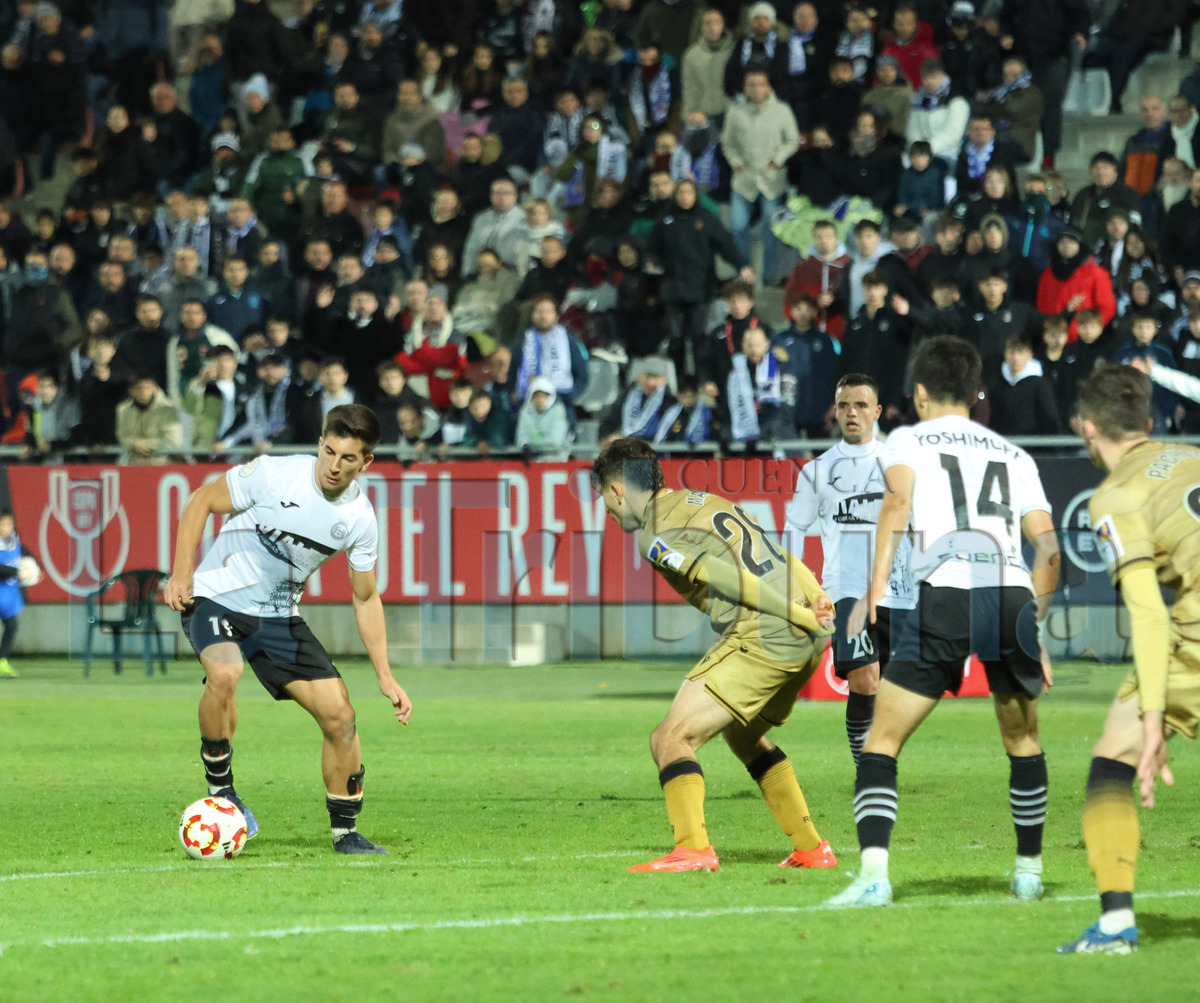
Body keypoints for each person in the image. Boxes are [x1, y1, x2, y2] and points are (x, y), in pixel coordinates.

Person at [826, 335, 1059, 908]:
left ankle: (874, 877)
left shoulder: (907, 439)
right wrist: (1038, 627)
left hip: (949, 591)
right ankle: (1028, 872)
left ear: (921, 392)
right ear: (977, 394)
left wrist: (874, 591)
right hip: (1011, 595)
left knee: (882, 738)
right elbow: (1050, 552)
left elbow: (897, 507)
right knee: (1023, 740)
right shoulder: (1016, 456)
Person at [162, 404, 412, 855]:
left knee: (341, 717)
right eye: (330, 452)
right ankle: (223, 793)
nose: (334, 466)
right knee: (224, 673)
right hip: (217, 595)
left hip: (277, 615)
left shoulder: (359, 521)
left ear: (367, 462)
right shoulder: (275, 474)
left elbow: (365, 596)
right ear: (320, 443)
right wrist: (181, 574)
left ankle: (345, 833)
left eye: (348, 458)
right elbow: (201, 500)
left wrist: (385, 674)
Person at [592, 436, 837, 873]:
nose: (608, 514)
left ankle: (693, 849)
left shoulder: (654, 534)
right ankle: (811, 848)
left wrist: (797, 615)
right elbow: (777, 552)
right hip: (806, 637)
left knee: (670, 739)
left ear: (617, 490)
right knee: (742, 735)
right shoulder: (702, 500)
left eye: (605, 500)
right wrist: (816, 599)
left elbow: (720, 576)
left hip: (768, 630)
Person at [1058, 365, 1200, 954]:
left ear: (1086, 427)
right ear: (1147, 421)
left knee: (1114, 755)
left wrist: (1151, 726)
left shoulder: (1113, 495)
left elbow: (1147, 612)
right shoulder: (1190, 454)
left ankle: (1115, 925)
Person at [785, 374, 914, 765]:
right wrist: (798, 590)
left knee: (892, 691)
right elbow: (794, 529)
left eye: (860, 405)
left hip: (899, 591)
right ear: (835, 411)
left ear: (876, 412)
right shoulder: (818, 471)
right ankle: (867, 767)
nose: (851, 413)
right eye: (844, 405)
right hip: (846, 590)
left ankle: (880, 756)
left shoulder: (901, 463)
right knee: (865, 679)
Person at [0, 509, 40, 678]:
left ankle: (2, 662)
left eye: (8, 524)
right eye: (1, 524)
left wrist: (35, 569)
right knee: (11, 625)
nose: (5, 527)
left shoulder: (13, 541)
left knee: (12, 626)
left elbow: (25, 554)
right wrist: (17, 572)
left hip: (7, 595)